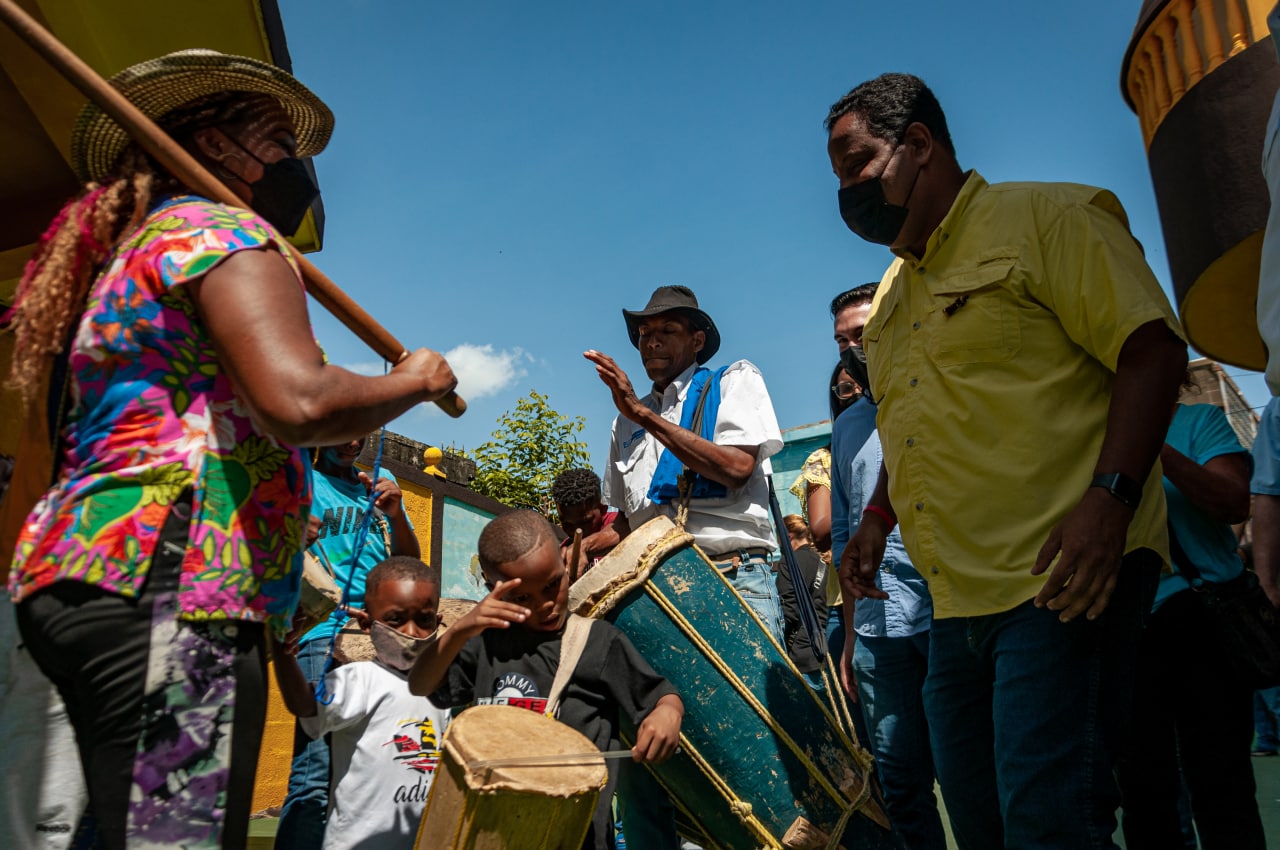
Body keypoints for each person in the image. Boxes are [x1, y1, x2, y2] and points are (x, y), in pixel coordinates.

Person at [5, 50, 457, 850]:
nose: (299, 165)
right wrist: (413, 381)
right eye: (279, 141)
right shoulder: (219, 229)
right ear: (215, 146)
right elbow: (300, 401)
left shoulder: (132, 256)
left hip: (77, 575)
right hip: (177, 584)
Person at [827, 73, 1188, 848]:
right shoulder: (890, 301)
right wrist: (878, 520)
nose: (847, 190)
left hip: (1060, 580)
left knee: (1047, 819)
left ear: (919, 144)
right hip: (954, 606)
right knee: (980, 821)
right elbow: (912, 424)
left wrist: (1110, 498)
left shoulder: (1048, 218)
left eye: (857, 163)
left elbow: (1151, 351)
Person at [409, 510, 683, 850]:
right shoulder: (484, 645)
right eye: (523, 597)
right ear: (493, 587)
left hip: (579, 836)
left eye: (554, 584)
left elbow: (660, 696)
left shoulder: (598, 642)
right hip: (491, 832)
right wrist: (462, 629)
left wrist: (667, 713)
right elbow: (420, 685)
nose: (546, 605)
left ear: (565, 563)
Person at [584, 285, 785, 642]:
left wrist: (644, 415)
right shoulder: (625, 421)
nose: (652, 342)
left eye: (667, 331)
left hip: (734, 578)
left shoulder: (732, 381)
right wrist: (587, 545)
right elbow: (635, 522)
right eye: (645, 334)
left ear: (697, 341)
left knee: (752, 698)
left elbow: (737, 468)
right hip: (658, 592)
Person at [1115, 399, 1264, 848]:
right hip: (1126, 626)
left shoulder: (1198, 420)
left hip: (1203, 617)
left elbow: (1234, 501)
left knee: (1223, 782)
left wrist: (1148, 442)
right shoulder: (1081, 437)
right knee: (1145, 793)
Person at [827, 282, 944, 850]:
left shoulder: (942, 391)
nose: (854, 349)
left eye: (865, 333)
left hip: (949, 616)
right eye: (843, 341)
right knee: (899, 779)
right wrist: (851, 638)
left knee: (972, 769)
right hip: (877, 632)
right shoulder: (849, 425)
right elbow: (845, 539)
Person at [276, 436, 420, 849]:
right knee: (313, 777)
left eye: (361, 431)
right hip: (322, 634)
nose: (352, 441)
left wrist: (396, 517)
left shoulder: (382, 481)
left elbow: (410, 565)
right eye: (342, 430)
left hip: (380, 641)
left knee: (373, 770)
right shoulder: (302, 482)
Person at [273, 556, 449, 850]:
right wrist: (284, 653)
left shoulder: (440, 691)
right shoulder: (359, 679)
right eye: (395, 619)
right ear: (367, 624)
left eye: (424, 620)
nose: (410, 632)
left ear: (438, 621)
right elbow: (306, 706)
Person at [774, 514, 830, 681]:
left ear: (788, 537)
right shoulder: (822, 561)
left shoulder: (788, 563)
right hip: (825, 649)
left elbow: (788, 610)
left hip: (801, 655)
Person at [551, 467, 621, 578]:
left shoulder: (621, 525)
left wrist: (583, 547)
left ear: (603, 507)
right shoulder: (564, 552)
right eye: (567, 524)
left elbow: (623, 533)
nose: (576, 531)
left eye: (585, 522)